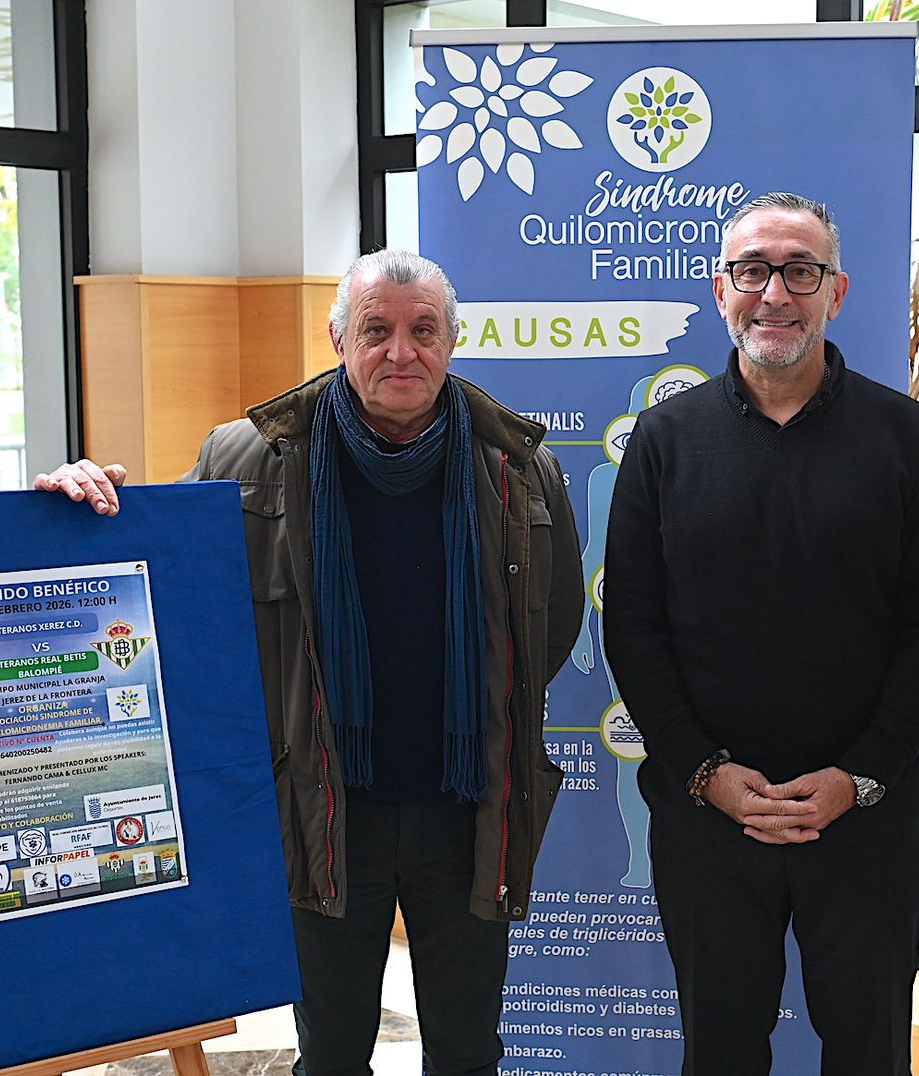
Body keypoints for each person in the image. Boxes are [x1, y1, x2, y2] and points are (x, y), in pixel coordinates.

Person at [35, 249, 584, 1076]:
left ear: (451, 342)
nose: (401, 351)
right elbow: (153, 575)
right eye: (376, 330)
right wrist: (78, 500)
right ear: (337, 339)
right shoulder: (244, 459)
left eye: (423, 330)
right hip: (322, 808)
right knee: (328, 1055)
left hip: (470, 810)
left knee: (470, 1054)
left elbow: (556, 621)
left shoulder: (522, 467)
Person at [602, 192, 919, 1075]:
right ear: (721, 288)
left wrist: (862, 776)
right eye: (753, 271)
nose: (775, 292)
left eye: (799, 271)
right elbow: (634, 624)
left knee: (870, 1050)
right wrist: (703, 771)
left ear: (836, 292)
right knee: (722, 1050)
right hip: (707, 814)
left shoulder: (910, 440)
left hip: (865, 816)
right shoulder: (663, 441)